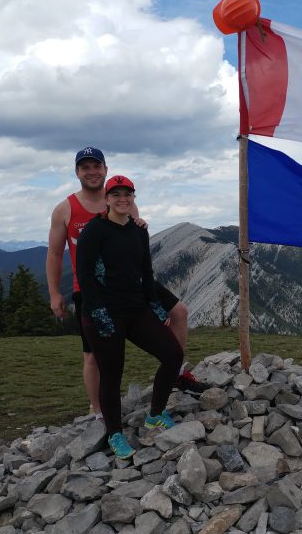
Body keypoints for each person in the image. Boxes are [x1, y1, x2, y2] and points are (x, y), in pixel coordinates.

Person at [46, 147, 206, 418]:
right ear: (77, 173)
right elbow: (54, 252)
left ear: (106, 170)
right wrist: (53, 293)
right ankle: (98, 410)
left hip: (132, 280)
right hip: (90, 288)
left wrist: (140, 223)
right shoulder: (64, 209)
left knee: (179, 311)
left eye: (96, 166)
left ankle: (175, 373)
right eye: (85, 167)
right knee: (93, 356)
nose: (92, 172)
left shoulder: (125, 202)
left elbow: (134, 239)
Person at [77, 175, 184, 459]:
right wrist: (98, 312)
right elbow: (85, 276)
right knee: (112, 374)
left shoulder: (139, 231)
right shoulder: (94, 231)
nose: (123, 198)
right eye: (117, 194)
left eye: (128, 194)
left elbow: (146, 272)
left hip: (135, 308)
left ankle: (155, 415)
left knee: (173, 354)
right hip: (104, 312)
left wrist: (157, 307)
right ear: (107, 199)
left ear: (133, 198)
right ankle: (114, 433)